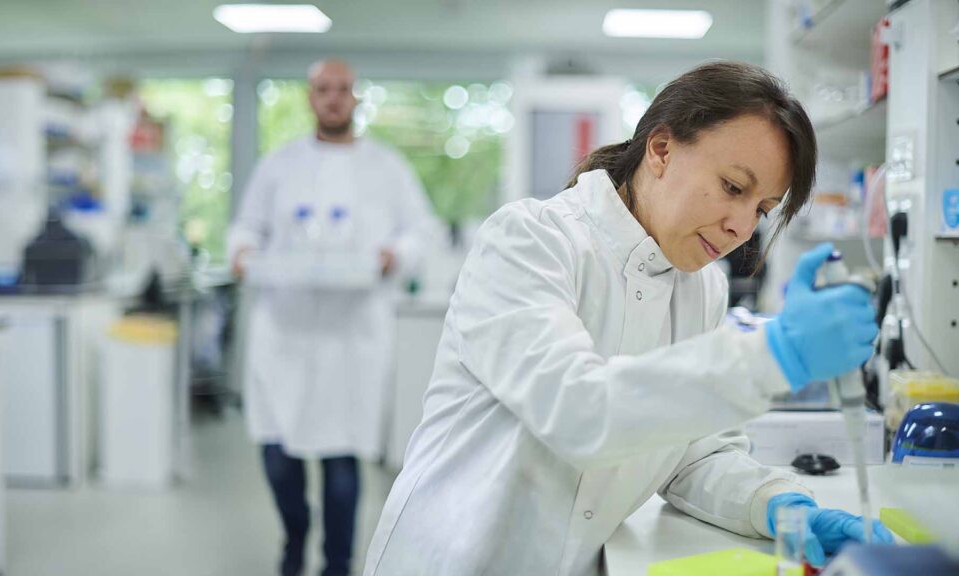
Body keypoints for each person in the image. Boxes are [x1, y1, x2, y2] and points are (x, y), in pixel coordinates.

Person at [363, 61, 893, 576]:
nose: (741, 227)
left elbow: (693, 454)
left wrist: (778, 505)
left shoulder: (702, 285)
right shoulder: (530, 241)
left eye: (761, 209)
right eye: (734, 187)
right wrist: (776, 354)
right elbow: (579, 412)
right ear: (660, 149)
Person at [228, 59, 437, 576]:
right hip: (284, 333)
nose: (334, 98)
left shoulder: (386, 167)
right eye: (324, 89)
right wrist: (241, 253)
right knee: (279, 455)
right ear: (309, 97)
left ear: (356, 98)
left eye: (343, 89)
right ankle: (295, 536)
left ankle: (337, 563)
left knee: (343, 460)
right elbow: (246, 228)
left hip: (352, 336)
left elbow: (421, 230)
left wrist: (395, 255)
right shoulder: (279, 166)